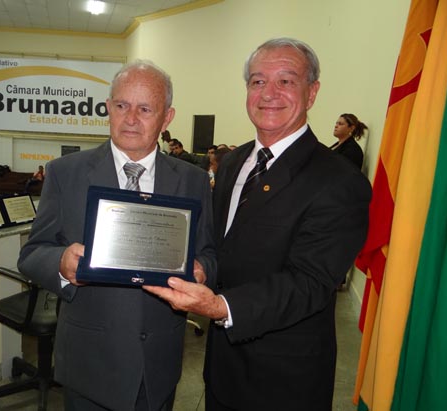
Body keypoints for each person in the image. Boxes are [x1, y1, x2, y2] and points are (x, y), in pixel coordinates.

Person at [144, 38, 372, 411]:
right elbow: (225, 247)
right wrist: (201, 268)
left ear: (312, 92)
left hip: (283, 381)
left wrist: (221, 307)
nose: (269, 93)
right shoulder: (233, 164)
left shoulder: (339, 181)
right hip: (221, 370)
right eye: (258, 81)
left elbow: (310, 282)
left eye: (286, 81)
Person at [17, 60, 216, 411]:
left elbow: (210, 253)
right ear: (108, 108)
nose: (131, 118)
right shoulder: (65, 172)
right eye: (122, 105)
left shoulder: (193, 180)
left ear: (167, 118)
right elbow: (32, 254)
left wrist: (201, 270)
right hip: (90, 363)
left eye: (145, 109)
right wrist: (61, 264)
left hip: (158, 363)